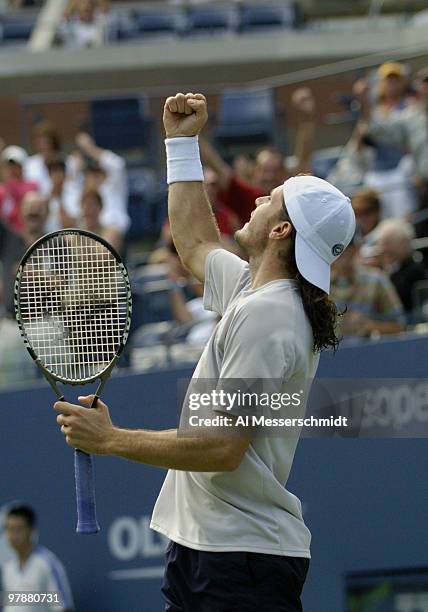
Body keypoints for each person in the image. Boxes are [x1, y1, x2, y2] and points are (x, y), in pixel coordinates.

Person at [53, 92, 356, 611]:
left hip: (240, 563)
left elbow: (221, 447)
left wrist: (111, 439)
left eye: (270, 199)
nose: (258, 199)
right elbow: (193, 243)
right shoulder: (255, 294)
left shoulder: (270, 315)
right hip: (214, 550)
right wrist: (182, 144)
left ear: (282, 231)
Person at [0, 504, 74, 612]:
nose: (13, 535)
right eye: (10, 529)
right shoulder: (8, 568)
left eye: (18, 529)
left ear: (31, 531)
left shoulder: (46, 563)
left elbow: (63, 607)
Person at [331, 239, 405, 338]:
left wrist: (371, 326)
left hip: (370, 350)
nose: (341, 252)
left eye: (347, 246)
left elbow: (400, 326)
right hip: (330, 352)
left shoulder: (376, 280)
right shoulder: (318, 286)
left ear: (357, 248)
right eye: (335, 248)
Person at [375, 218, 426, 315]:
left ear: (403, 243)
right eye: (381, 243)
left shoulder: (415, 269)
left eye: (387, 243)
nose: (383, 249)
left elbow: (394, 296)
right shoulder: (392, 268)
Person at [0, 146, 38, 233]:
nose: (12, 169)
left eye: (16, 166)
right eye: (9, 166)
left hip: (25, 234)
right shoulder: (1, 189)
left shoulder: (32, 186)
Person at [79, 187, 123, 253]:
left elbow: (103, 254)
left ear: (101, 207)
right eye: (86, 205)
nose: (89, 210)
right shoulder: (72, 235)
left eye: (93, 205)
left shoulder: (112, 232)